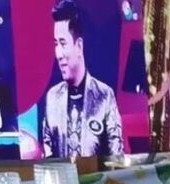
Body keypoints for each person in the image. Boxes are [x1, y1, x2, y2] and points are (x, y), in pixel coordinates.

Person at [42, 0, 124, 159]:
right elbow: (47, 155)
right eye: (55, 44)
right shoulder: (52, 97)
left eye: (63, 43)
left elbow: (117, 158)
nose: (58, 54)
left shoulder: (104, 96)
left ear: (79, 46)